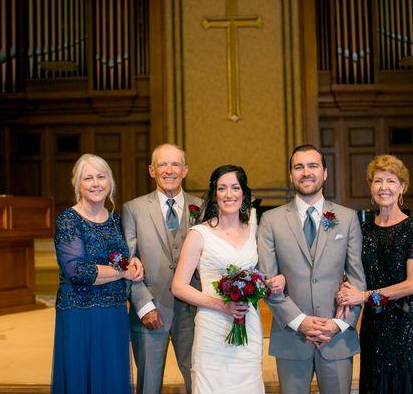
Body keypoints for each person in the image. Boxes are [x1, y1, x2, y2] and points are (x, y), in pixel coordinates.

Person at [257, 144, 366, 394]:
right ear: (291, 174)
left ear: (325, 173)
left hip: (336, 337)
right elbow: (267, 281)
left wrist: (339, 323)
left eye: (312, 166)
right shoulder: (271, 221)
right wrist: (300, 321)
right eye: (299, 167)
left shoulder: (347, 218)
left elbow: (358, 280)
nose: (306, 172)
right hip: (291, 336)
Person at [171, 165, 284, 393]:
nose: (228, 194)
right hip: (213, 328)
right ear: (214, 194)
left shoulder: (255, 231)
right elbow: (179, 286)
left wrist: (276, 281)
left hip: (248, 326)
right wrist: (222, 305)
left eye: (235, 187)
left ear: (244, 194)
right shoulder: (199, 234)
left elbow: (262, 275)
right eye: (222, 188)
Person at [336, 154, 413, 394]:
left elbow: (412, 285)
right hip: (374, 325)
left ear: (402, 188)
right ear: (371, 187)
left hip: (405, 324)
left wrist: (365, 296)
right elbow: (354, 270)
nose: (384, 187)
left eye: (391, 181)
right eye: (378, 181)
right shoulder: (363, 228)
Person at [51, 153, 144, 394]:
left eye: (101, 177)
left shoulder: (114, 219)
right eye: (88, 178)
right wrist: (123, 272)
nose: (96, 183)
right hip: (80, 312)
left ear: (110, 181)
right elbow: (78, 271)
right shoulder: (68, 220)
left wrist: (131, 261)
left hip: (113, 311)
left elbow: (121, 256)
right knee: (81, 378)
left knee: (111, 379)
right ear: (78, 186)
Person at [122, 143, 203, 394]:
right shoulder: (133, 209)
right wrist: (144, 305)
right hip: (150, 310)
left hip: (192, 312)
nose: (169, 170)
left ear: (185, 170)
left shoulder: (202, 207)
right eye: (162, 164)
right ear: (151, 170)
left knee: (198, 378)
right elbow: (126, 263)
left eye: (176, 164)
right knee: (149, 383)